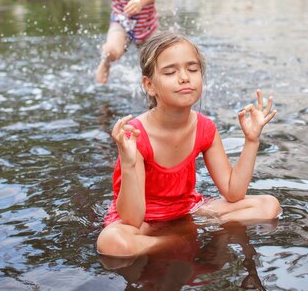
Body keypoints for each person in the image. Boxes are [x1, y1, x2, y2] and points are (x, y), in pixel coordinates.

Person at [97, 31, 281, 257]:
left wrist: (251, 141)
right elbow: (132, 219)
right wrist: (127, 161)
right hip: (143, 220)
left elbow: (234, 193)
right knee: (112, 243)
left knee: (268, 206)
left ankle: (177, 233)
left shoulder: (205, 128)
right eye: (170, 72)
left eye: (192, 69)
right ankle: (176, 238)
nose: (184, 77)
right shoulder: (135, 135)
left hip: (187, 210)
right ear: (149, 85)